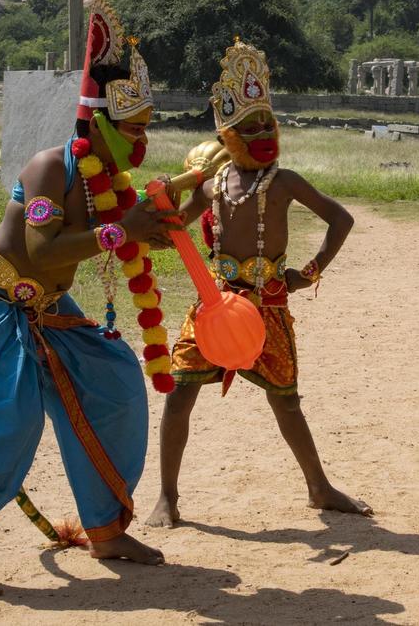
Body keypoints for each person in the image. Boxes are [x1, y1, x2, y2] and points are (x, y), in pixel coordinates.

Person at [0, 0, 175, 599]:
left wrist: (172, 218)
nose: (142, 142)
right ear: (101, 124)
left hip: (48, 311)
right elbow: (41, 252)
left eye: (147, 128)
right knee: (6, 428)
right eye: (134, 130)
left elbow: (123, 239)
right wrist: (125, 229)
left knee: (115, 389)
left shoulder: (109, 184)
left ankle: (107, 531)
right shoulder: (47, 168)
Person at [146, 38, 371, 527]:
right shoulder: (211, 183)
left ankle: (320, 487)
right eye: (251, 126)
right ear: (228, 135)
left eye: (269, 122)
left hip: (268, 305)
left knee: (286, 401)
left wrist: (308, 273)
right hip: (214, 305)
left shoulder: (285, 180)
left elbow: (341, 219)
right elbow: (175, 230)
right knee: (179, 394)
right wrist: (151, 214)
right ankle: (166, 497)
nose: (264, 132)